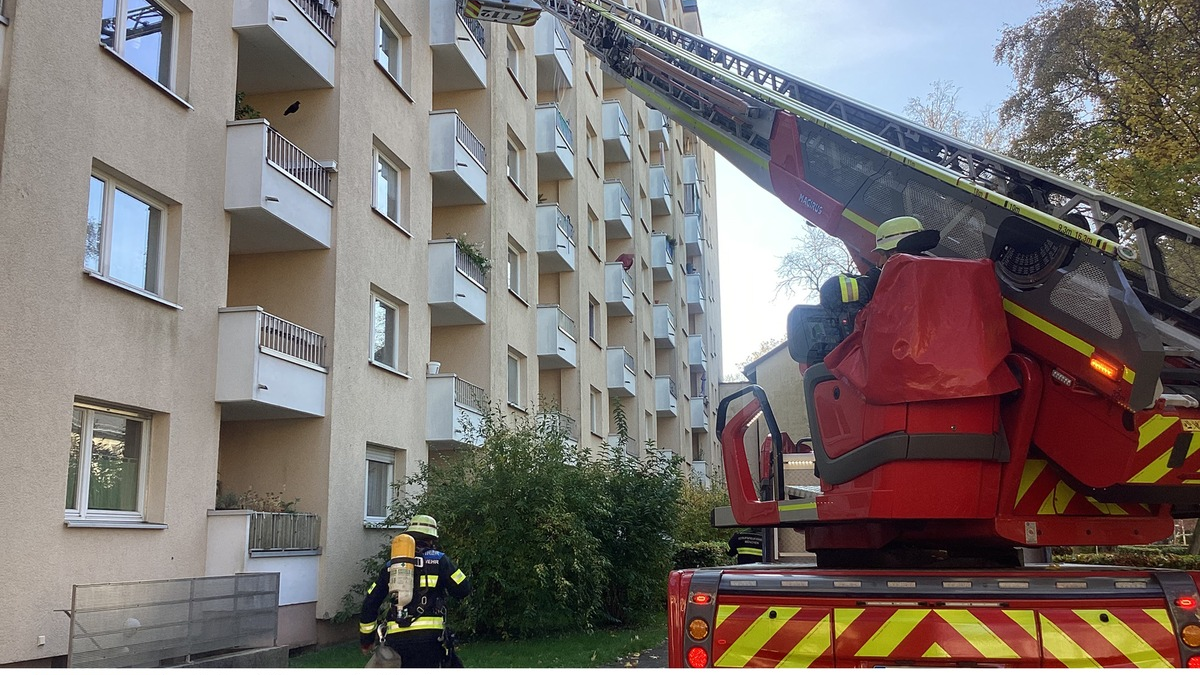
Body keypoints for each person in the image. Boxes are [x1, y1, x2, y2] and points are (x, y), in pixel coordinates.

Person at [359, 515, 471, 668]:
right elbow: (463, 589)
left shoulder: (391, 566)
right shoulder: (440, 560)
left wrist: (366, 640)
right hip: (431, 639)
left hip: (396, 640)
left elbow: (370, 604)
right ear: (432, 539)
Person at [819, 216, 939, 329]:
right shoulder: (943, 274)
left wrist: (872, 283)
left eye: (882, 254)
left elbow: (832, 290)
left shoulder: (898, 287)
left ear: (894, 252)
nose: (880, 263)